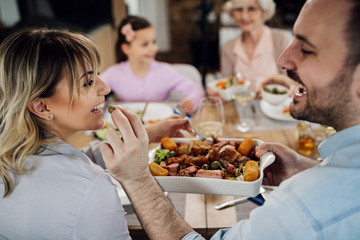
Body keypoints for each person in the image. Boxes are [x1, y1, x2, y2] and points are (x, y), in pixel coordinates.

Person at [101, 0, 360, 239]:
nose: (282, 60)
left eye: (307, 48)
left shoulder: (304, 209)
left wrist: (137, 180)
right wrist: (309, 168)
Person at [0, 28, 192, 239]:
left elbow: (70, 159)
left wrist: (143, 134)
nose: (106, 88)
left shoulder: (13, 155)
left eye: (98, 75)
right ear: (42, 107)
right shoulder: (92, 188)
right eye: (88, 82)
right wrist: (137, 178)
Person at [100, 16, 205, 114]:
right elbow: (91, 90)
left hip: (162, 126)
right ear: (126, 48)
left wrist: (192, 101)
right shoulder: (115, 73)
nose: (153, 48)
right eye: (145, 44)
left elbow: (197, 90)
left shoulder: (166, 71)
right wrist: (98, 102)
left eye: (154, 42)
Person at [221, 0, 293, 90]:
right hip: (241, 103)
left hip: (276, 103)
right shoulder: (227, 47)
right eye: (239, 9)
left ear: (264, 12)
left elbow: (294, 82)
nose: (244, 16)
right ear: (232, 14)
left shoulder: (281, 39)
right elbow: (226, 87)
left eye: (251, 9)